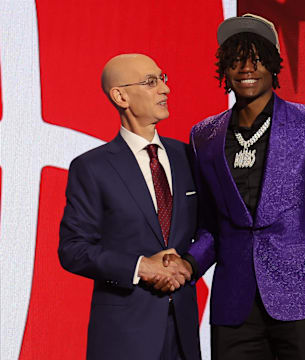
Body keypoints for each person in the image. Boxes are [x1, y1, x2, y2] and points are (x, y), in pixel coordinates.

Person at [163, 14, 305, 360]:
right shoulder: (204, 136)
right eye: (235, 59)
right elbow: (212, 227)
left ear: (274, 64)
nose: (246, 68)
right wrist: (188, 265)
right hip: (233, 308)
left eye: (256, 58)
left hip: (304, 302)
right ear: (224, 68)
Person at [58, 54, 201, 360]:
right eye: (151, 82)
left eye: (163, 79)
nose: (165, 89)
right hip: (123, 336)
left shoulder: (188, 157)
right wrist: (141, 267)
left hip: (184, 331)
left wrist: (188, 264)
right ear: (120, 96)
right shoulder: (92, 167)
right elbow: (73, 249)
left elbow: (210, 229)